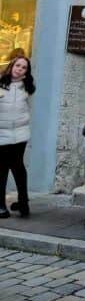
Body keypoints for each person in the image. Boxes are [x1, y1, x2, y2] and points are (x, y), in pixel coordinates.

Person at [0, 53, 35, 219]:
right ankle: (1, 206)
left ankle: (23, 202)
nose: (19, 69)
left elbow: (29, 109)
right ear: (11, 66)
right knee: (2, 168)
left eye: (23, 67)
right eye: (17, 65)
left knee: (18, 167)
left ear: (26, 72)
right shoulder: (1, 84)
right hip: (2, 133)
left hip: (20, 134)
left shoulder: (27, 88)